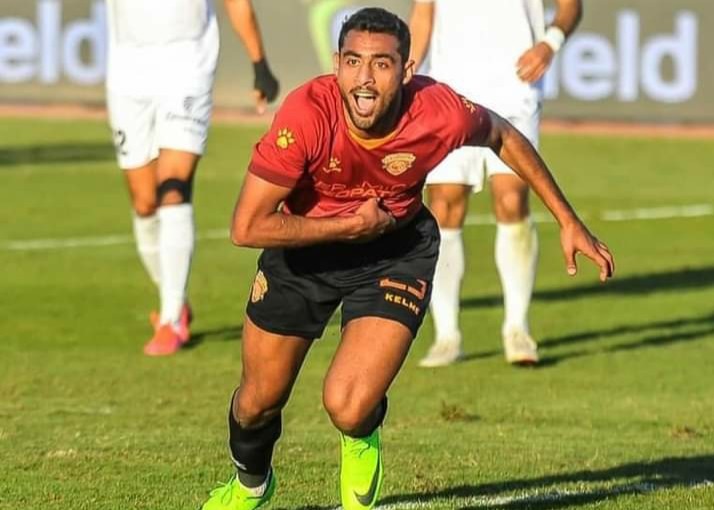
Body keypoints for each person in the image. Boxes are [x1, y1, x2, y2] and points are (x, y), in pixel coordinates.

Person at [199, 7, 612, 510]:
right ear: (336, 64)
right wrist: (348, 226)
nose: (364, 79)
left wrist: (567, 219)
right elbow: (246, 227)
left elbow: (502, 134)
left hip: (394, 255)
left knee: (347, 405)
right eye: (353, 62)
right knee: (256, 402)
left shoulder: (437, 110)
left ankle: (362, 432)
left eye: (381, 64)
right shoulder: (306, 113)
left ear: (407, 69)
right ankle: (251, 485)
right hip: (303, 255)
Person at [408, 0, 583, 367]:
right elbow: (424, 12)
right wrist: (407, 69)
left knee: (511, 198)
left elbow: (571, 6)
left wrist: (550, 42)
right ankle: (447, 336)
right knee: (445, 205)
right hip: (450, 84)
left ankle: (517, 329)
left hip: (515, 83)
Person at [105, 0, 279, 356]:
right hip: (127, 71)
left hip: (187, 65)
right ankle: (175, 299)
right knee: (145, 203)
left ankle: (170, 320)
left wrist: (259, 63)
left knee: (174, 186)